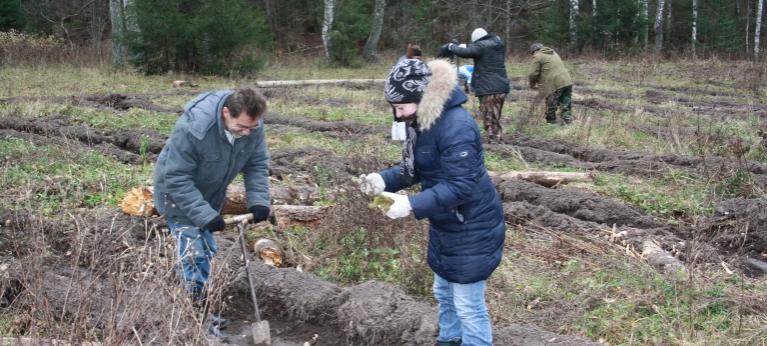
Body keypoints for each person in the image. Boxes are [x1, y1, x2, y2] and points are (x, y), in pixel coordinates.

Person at [360, 58, 506, 346]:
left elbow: (461, 186)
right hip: (447, 222)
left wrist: (411, 205)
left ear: (421, 97)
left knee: (468, 305)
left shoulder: (457, 126)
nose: (397, 115)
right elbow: (414, 169)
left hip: (472, 226)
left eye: (401, 107)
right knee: (444, 293)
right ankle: (449, 340)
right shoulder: (423, 122)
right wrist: (382, 180)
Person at [153, 87, 271, 336]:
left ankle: (191, 301)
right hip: (177, 195)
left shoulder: (252, 126)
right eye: (242, 127)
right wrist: (205, 215)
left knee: (206, 250)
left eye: (253, 127)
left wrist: (259, 201)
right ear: (226, 113)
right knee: (194, 255)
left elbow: (257, 164)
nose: (248, 133)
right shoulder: (194, 129)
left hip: (210, 193)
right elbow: (176, 177)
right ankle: (194, 320)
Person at [447, 28, 511, 142]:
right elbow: (474, 49)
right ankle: (496, 137)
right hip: (501, 86)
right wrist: (466, 46)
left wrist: (452, 47)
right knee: (495, 114)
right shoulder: (497, 44)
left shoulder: (481, 46)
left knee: (489, 114)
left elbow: (464, 53)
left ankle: (494, 138)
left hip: (489, 87)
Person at [527, 43, 574, 124]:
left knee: (551, 105)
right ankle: (567, 123)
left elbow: (532, 74)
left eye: (532, 53)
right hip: (567, 81)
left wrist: (532, 85)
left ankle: (551, 123)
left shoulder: (538, 56)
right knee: (566, 104)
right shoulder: (554, 53)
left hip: (554, 83)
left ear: (534, 51)